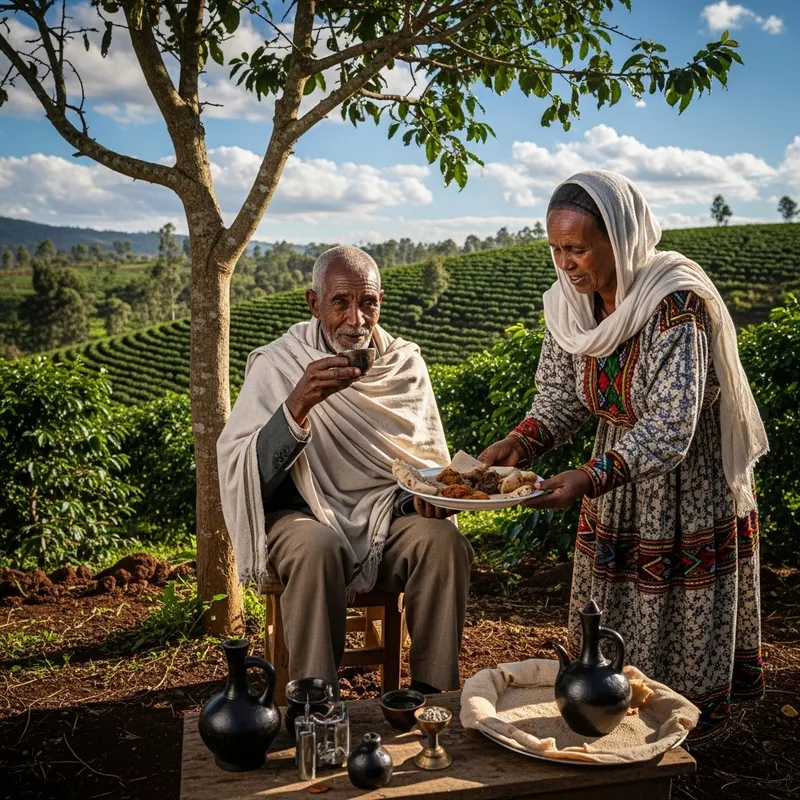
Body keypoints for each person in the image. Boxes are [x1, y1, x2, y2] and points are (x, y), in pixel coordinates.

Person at [479, 170, 768, 743]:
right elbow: (561, 396)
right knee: (609, 608)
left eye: (578, 248)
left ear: (621, 240)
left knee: (677, 606)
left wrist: (590, 477)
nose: (565, 263)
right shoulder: (572, 307)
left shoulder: (674, 305)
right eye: (556, 249)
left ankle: (680, 732)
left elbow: (669, 426)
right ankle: (611, 715)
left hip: (683, 484)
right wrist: (523, 441)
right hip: (612, 475)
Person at [217, 245, 471, 696]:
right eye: (340, 303)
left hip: (382, 517)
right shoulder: (280, 364)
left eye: (367, 303)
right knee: (319, 547)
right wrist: (298, 404)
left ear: (381, 302)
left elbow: (423, 463)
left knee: (442, 542)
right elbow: (245, 472)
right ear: (314, 304)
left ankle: (435, 700)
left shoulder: (404, 364)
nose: (356, 320)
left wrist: (419, 497)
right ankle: (316, 702)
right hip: (301, 514)